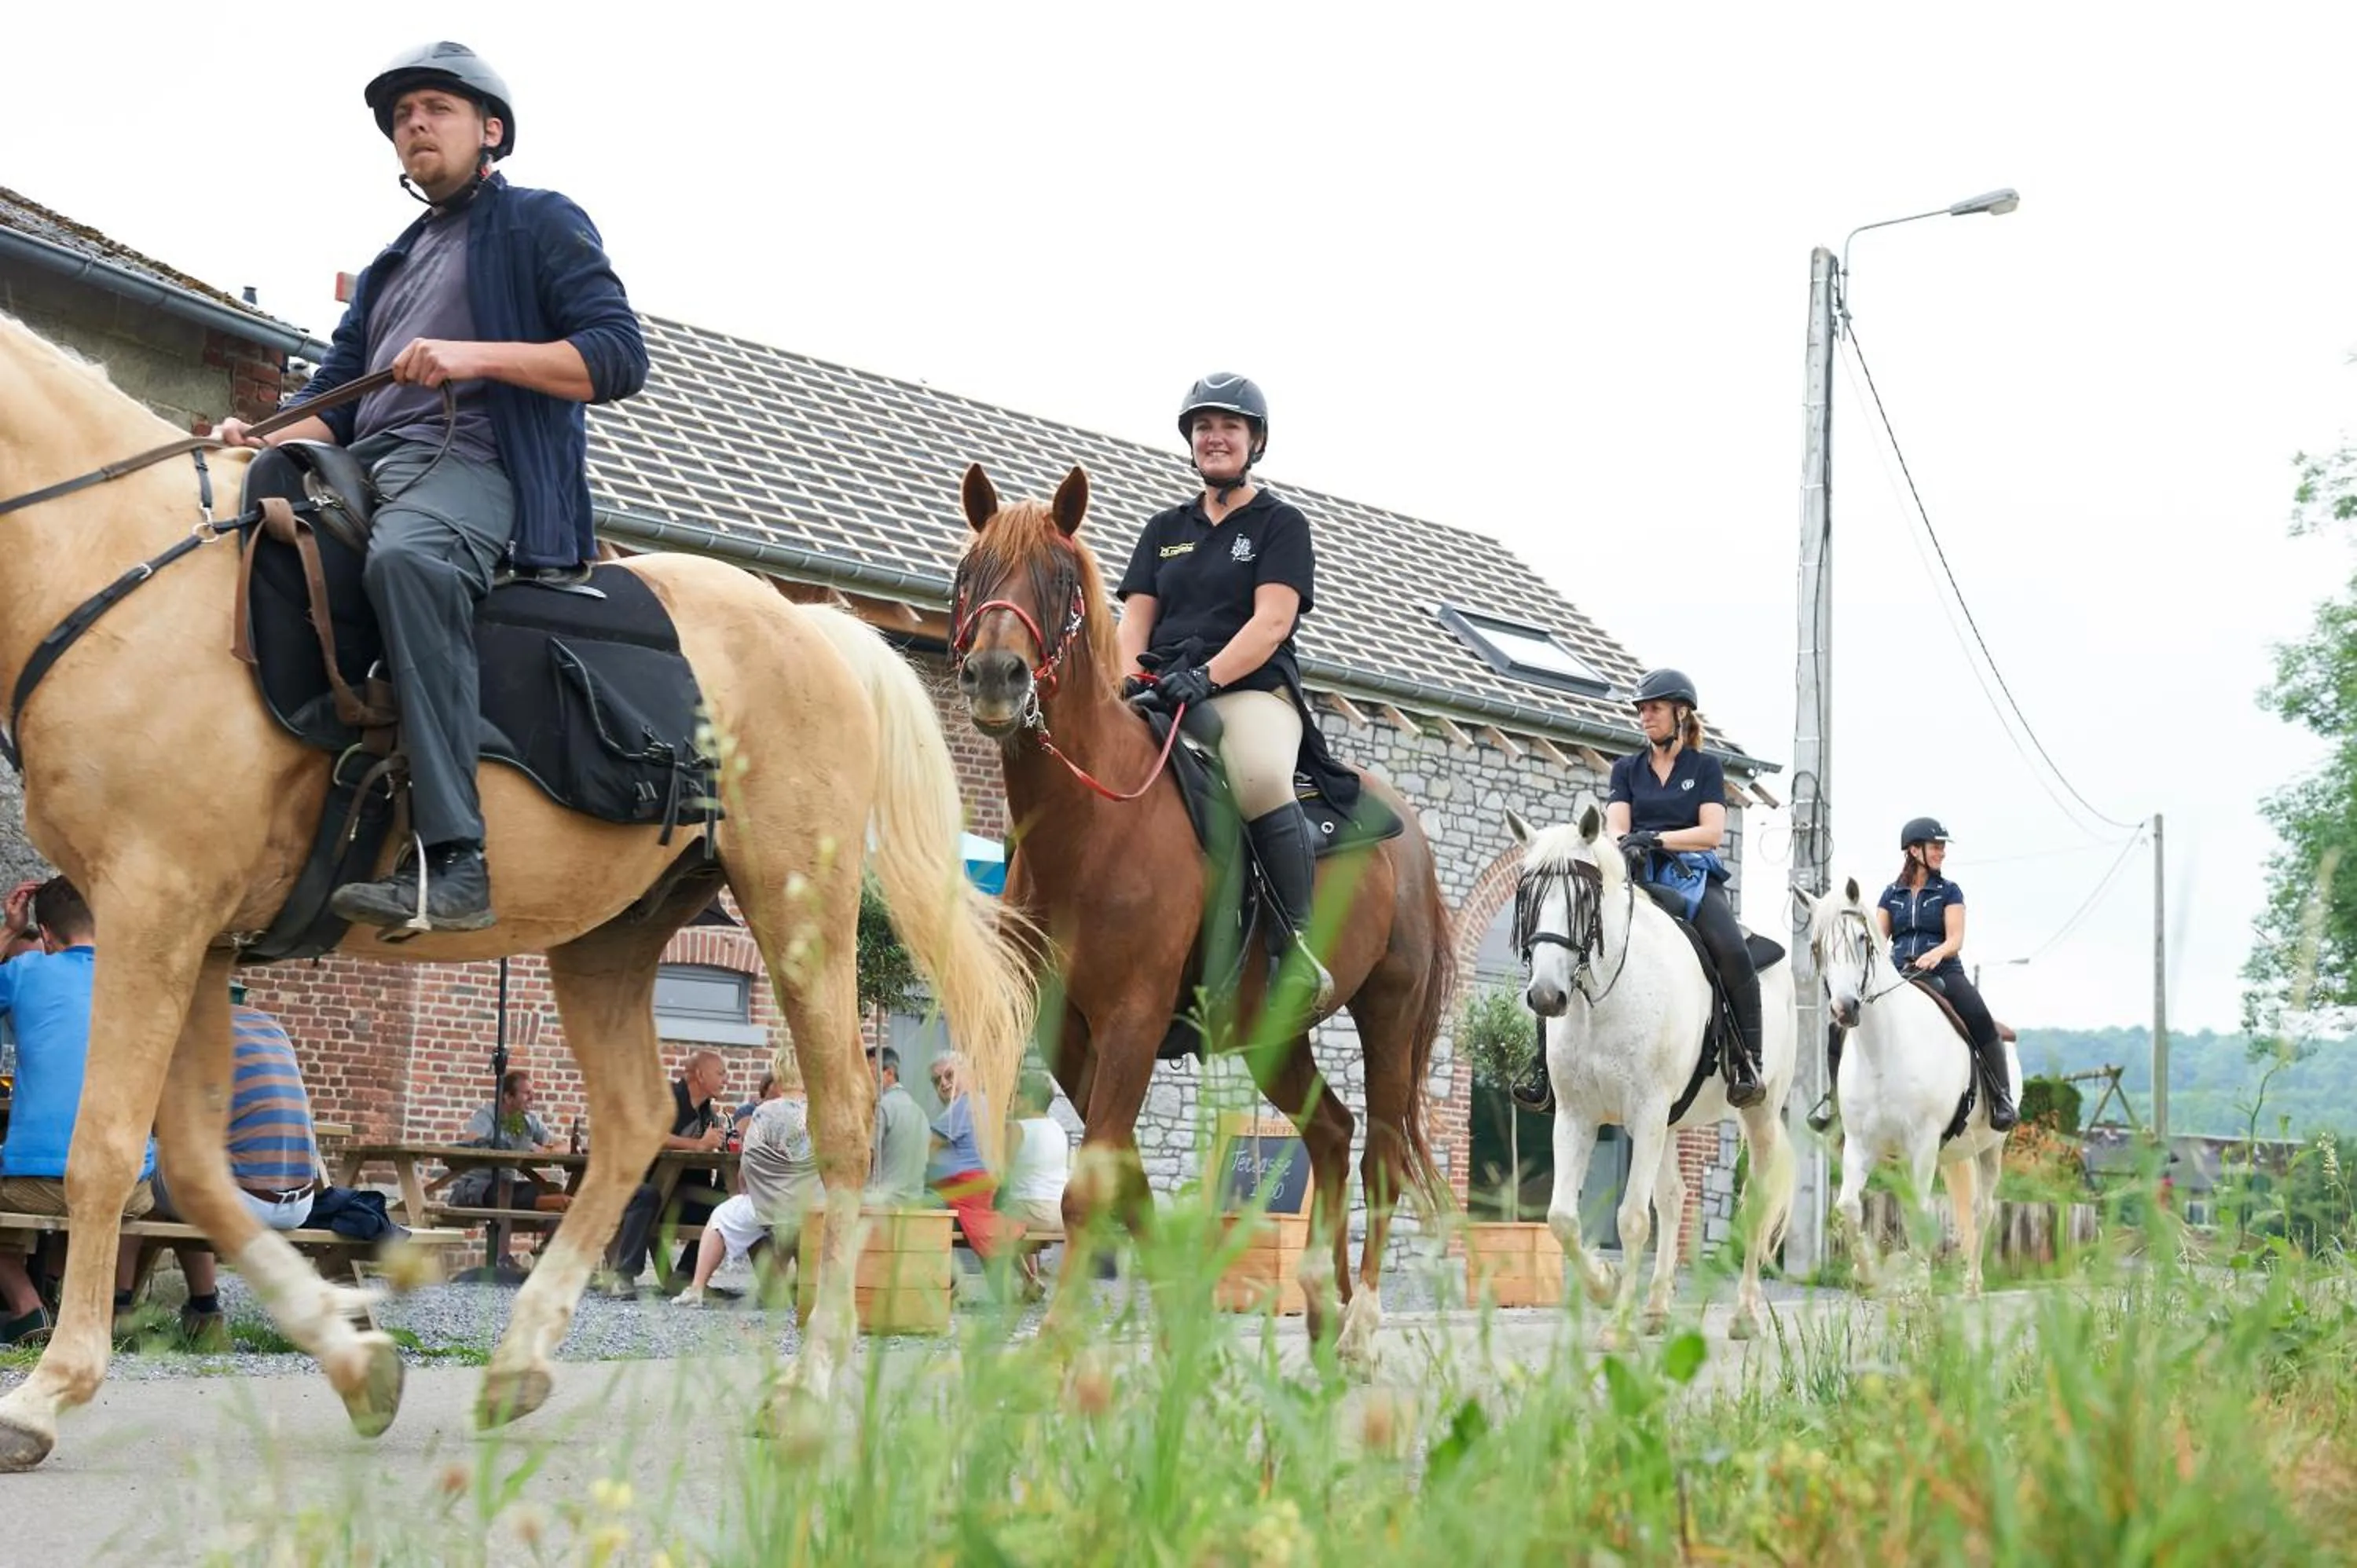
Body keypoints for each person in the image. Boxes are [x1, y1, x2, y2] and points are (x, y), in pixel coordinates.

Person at [213, 41, 649, 934]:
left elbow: (618, 355)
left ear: (490, 131)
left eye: (436, 108)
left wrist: (470, 356)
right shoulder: (393, 263)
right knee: (231, 523)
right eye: (402, 113)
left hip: (475, 465)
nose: (415, 122)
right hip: (364, 466)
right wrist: (253, 435)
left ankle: (456, 859)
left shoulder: (539, 221)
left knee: (409, 562)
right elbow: (332, 398)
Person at [1116, 372, 1353, 1013]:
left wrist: (1210, 676)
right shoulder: (1164, 526)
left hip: (1250, 691)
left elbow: (1272, 621)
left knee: (1256, 778)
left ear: (1256, 441)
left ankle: (1295, 949)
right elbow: (1134, 620)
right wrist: (1123, 682)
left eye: (1228, 427)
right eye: (1203, 428)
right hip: (1163, 687)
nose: (1214, 438)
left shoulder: (1282, 524)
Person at [1512, 669, 1764, 1114]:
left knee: (1731, 948)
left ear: (1680, 713)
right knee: (1567, 941)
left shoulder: (1705, 768)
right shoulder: (1626, 769)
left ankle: (1747, 1061)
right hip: (1638, 875)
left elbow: (1711, 832)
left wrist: (1660, 839)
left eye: (1654, 708)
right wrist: (1631, 841)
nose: (1645, 716)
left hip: (1692, 877)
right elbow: (1617, 827)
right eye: (1641, 709)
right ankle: (1542, 1067)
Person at [0, 877, 154, 1344]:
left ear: (45, 934)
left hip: (40, 1182)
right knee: (113, 1190)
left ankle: (28, 1309)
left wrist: (8, 933)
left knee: (34, 1186)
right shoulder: (142, 983)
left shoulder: (26, 970)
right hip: (127, 1185)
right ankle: (94, 1309)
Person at [152, 981, 324, 1346]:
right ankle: (204, 1311)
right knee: (188, 1180)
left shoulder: (195, 1035)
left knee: (138, 1177)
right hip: (302, 1202)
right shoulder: (270, 1025)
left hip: (249, 1201)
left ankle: (117, 1310)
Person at [1853, 817, 2017, 1132]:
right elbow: (1878, 939)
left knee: (1979, 1018)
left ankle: (2001, 1097)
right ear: (1915, 851)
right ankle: (1835, 1102)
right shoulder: (1891, 895)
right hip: (1900, 975)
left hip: (1943, 971)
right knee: (1847, 1022)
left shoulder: (1949, 891)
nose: (1942, 852)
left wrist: (1935, 954)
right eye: (1936, 846)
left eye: (1943, 847)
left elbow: (1955, 939)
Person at [673, 1050, 817, 1305]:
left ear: (779, 1076)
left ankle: (696, 1288)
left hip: (769, 1207)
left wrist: (743, 1191)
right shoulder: (819, 1113)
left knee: (720, 1217)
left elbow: (748, 1165)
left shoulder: (765, 1112)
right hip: (812, 1206)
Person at [602, 1050, 730, 1292]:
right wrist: (698, 1145)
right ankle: (623, 1276)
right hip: (639, 1186)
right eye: (721, 1073)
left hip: (680, 1193)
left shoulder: (707, 1112)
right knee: (647, 1194)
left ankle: (684, 1276)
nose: (726, 1079)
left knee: (719, 1205)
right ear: (700, 1075)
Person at [925, 1052, 1006, 1260]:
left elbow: (925, 1152)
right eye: (937, 1081)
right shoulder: (985, 1103)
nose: (943, 1084)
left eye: (949, 1075)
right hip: (987, 1191)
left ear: (967, 1074)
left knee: (914, 1211)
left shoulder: (961, 1106)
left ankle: (948, 1279)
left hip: (964, 1192)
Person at [999, 1071, 1070, 1295]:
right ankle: (1032, 1280)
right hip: (1059, 1215)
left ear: (1030, 1098)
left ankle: (1027, 1278)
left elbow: (1002, 1175)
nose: (1012, 1099)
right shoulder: (1058, 1129)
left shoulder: (1016, 1128)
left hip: (1032, 1214)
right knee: (1015, 1208)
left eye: (1016, 1094)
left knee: (986, 1221)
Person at [445, 1069, 555, 1209]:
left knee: (550, 1190)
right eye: (527, 1093)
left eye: (533, 1093)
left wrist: (545, 1150)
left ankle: (559, 1213)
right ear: (508, 1097)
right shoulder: (488, 1114)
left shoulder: (529, 1120)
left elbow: (559, 1144)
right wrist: (500, 1146)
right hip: (477, 1187)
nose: (533, 1097)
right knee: (524, 1196)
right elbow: (471, 1138)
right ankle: (561, 1203)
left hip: (505, 1185)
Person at [863, 1047, 930, 1207]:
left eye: (869, 1074)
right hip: (913, 1201)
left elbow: (865, 1158)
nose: (865, 1081)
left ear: (889, 1074)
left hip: (883, 1202)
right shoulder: (920, 1112)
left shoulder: (882, 1107)